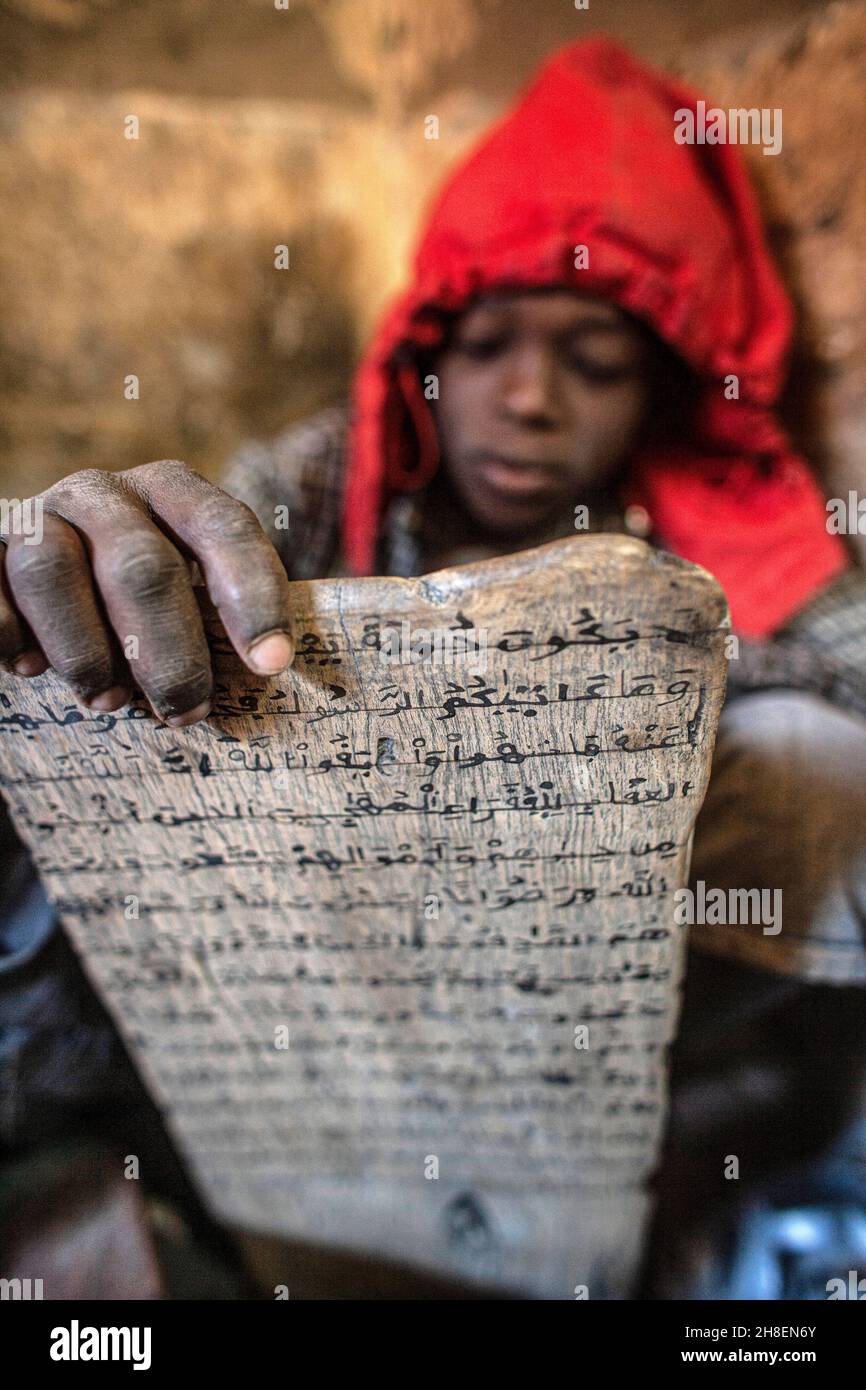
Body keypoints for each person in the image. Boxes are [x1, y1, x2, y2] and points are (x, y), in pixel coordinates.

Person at [1, 37, 865, 1298]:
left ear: (659, 396)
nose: (528, 400)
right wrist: (72, 557)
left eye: (595, 360)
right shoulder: (310, 488)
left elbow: (838, 670)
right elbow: (129, 581)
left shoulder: (705, 544)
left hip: (569, 1113)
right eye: (490, 344)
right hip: (284, 1088)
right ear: (424, 355)